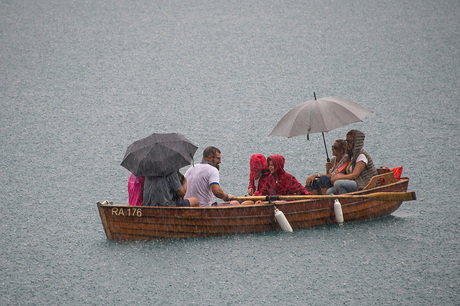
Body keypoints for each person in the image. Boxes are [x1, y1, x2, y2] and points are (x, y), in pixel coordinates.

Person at [326, 130, 378, 195]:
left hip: (363, 183)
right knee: (329, 191)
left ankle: (346, 202)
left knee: (338, 184)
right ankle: (335, 203)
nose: (347, 143)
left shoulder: (361, 156)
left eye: (349, 141)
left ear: (356, 142)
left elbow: (354, 175)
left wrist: (340, 177)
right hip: (353, 182)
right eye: (346, 141)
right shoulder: (352, 156)